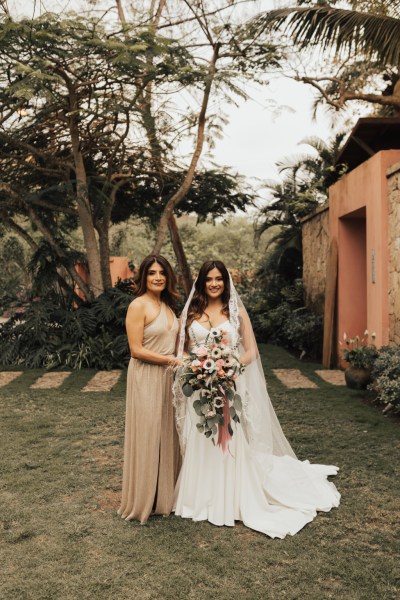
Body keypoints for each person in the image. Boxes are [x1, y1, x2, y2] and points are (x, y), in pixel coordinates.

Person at [173, 260, 340, 538]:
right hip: (199, 388)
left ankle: (230, 498)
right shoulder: (191, 313)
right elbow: (182, 350)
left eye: (219, 279)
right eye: (209, 279)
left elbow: (252, 351)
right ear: (201, 282)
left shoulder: (235, 312)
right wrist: (195, 367)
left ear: (226, 282)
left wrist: (232, 365)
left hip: (227, 384)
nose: (214, 283)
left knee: (226, 439)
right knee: (202, 439)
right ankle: (199, 498)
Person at [118, 255, 181, 524]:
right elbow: (137, 350)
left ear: (168, 277)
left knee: (168, 433)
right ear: (143, 277)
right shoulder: (138, 305)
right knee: (148, 432)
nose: (157, 277)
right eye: (152, 272)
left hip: (169, 378)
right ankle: (143, 498)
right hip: (146, 376)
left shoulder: (167, 305)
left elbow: (176, 343)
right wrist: (171, 360)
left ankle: (165, 496)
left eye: (162, 272)